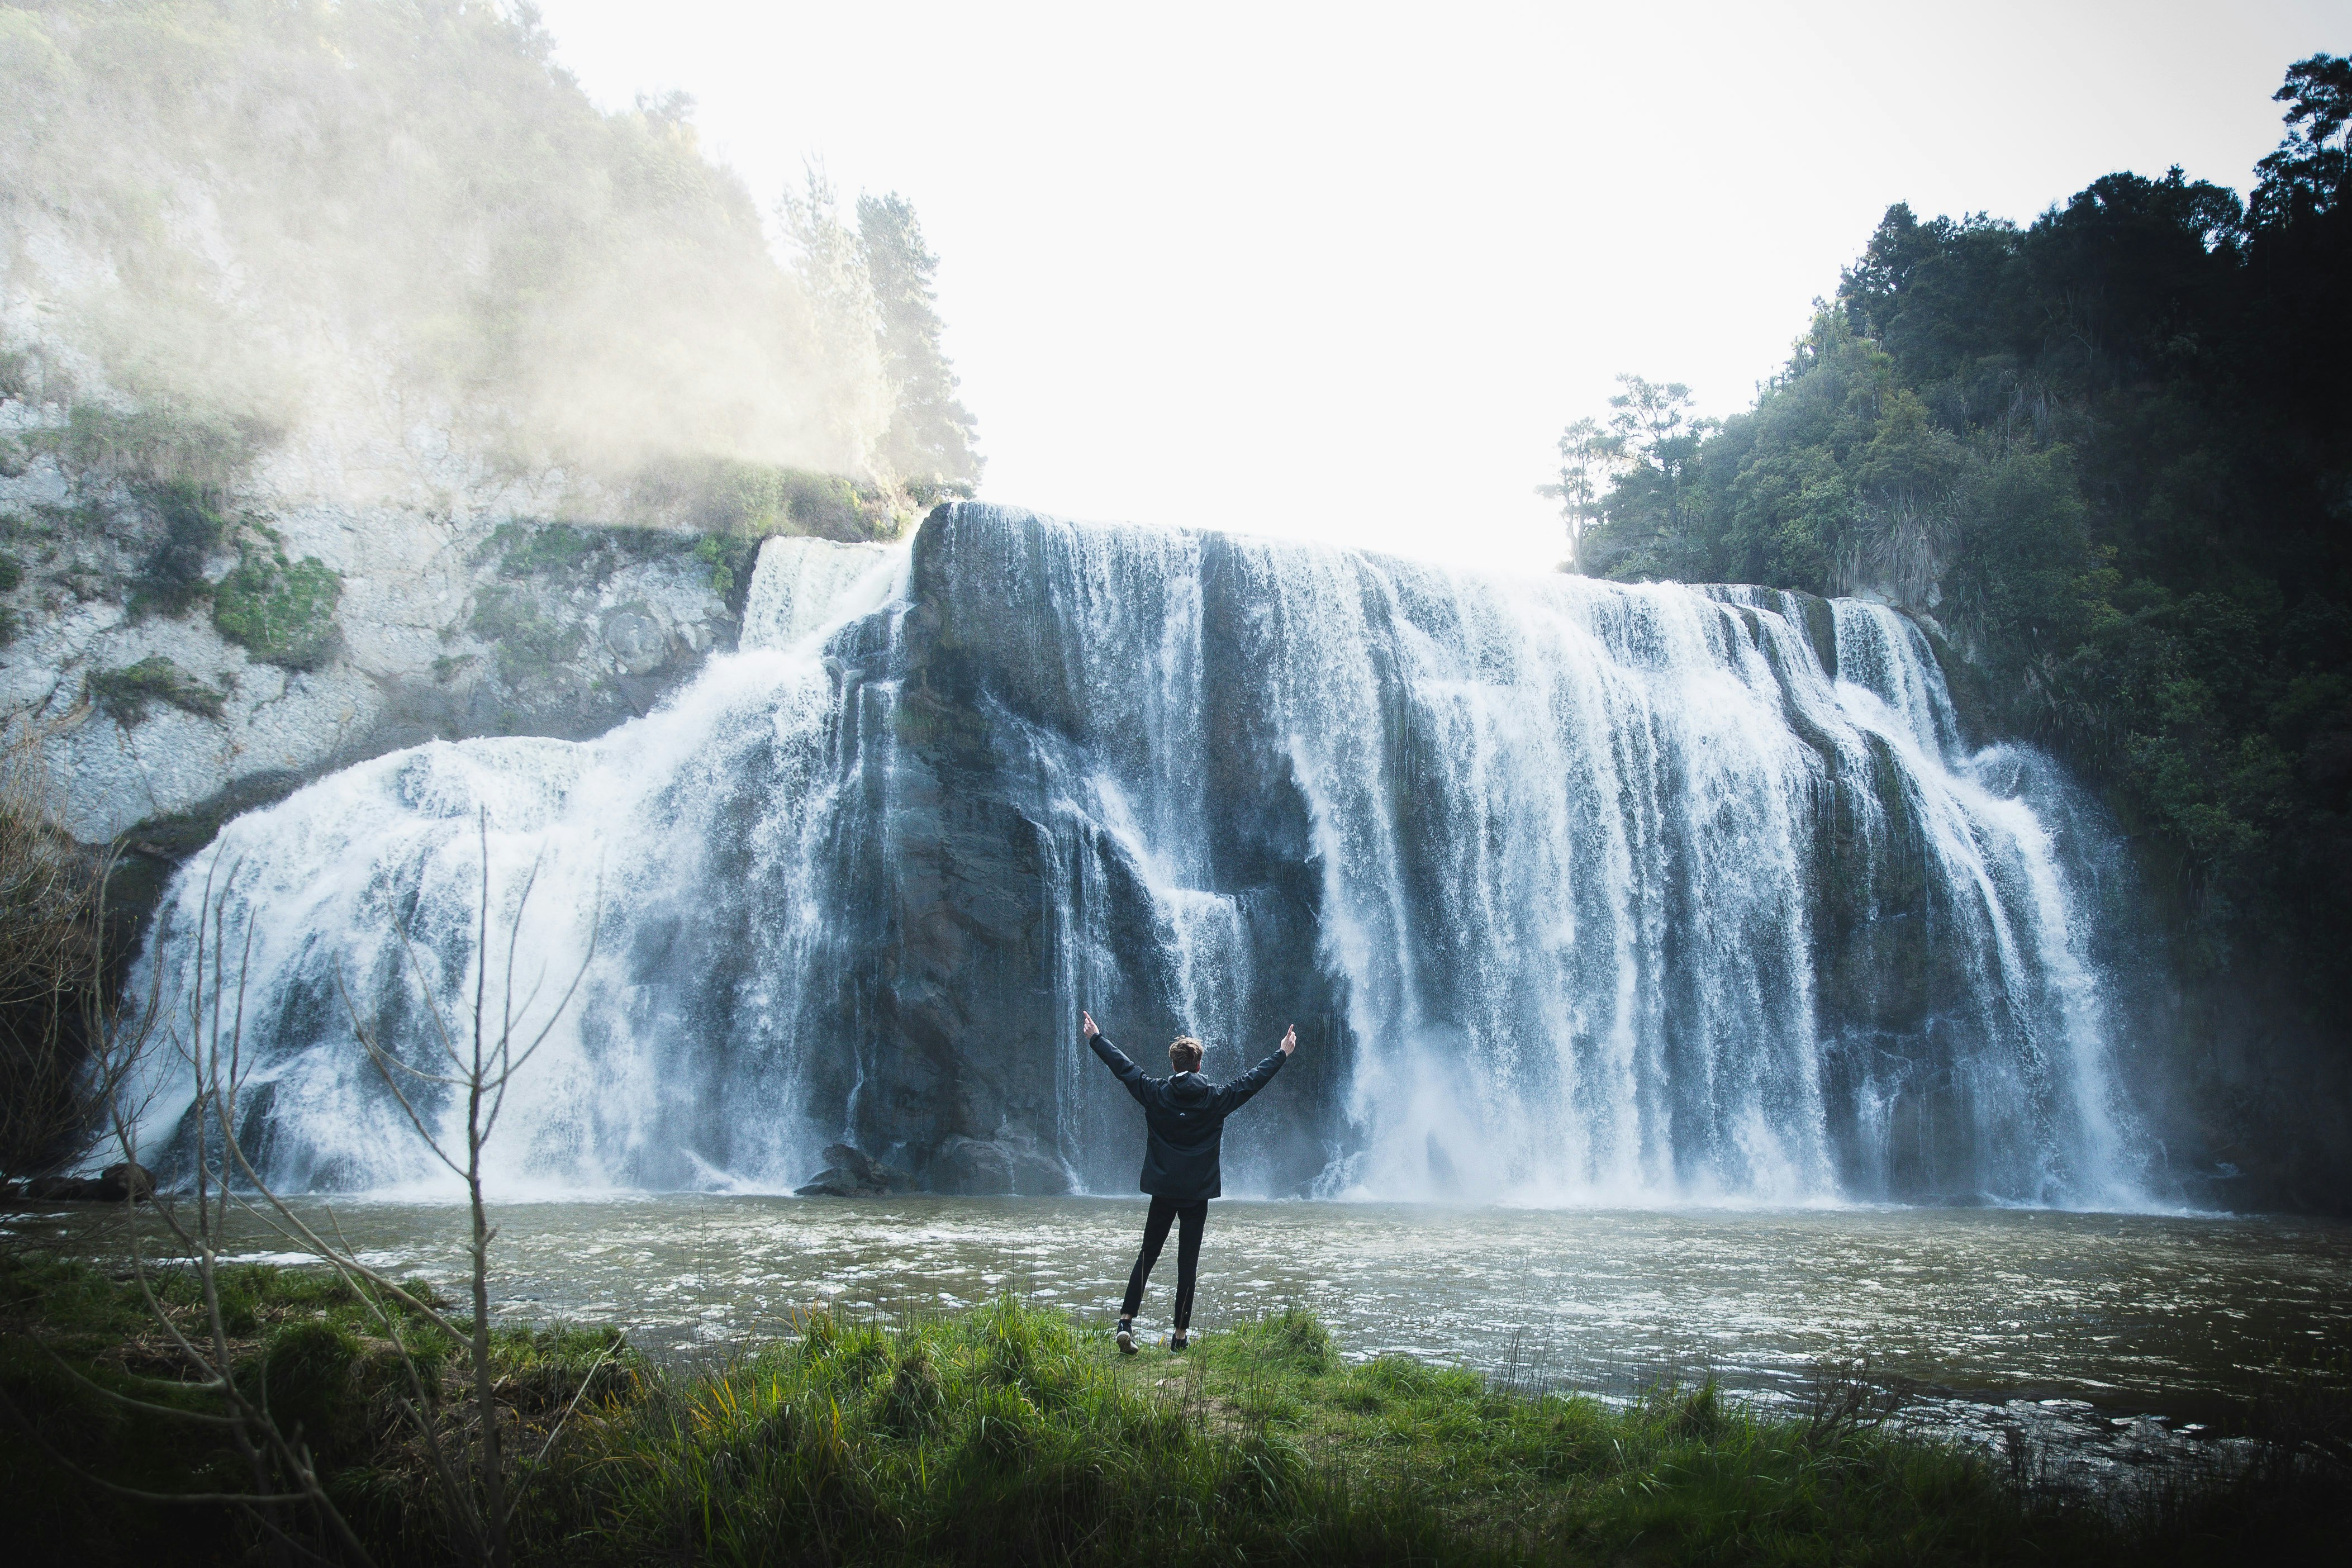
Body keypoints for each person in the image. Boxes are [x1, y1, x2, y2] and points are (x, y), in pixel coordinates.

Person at [1081, 1009, 1296, 1353]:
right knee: (1188, 1265)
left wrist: (1095, 1037)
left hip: (1164, 1191)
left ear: (1174, 1065)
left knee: (1148, 1255)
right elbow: (1253, 1081)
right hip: (1196, 1195)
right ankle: (1179, 1337)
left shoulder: (1155, 1093)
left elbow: (1122, 1068)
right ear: (1198, 1066)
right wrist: (1282, 1053)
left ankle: (1125, 1320)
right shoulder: (1215, 1099)